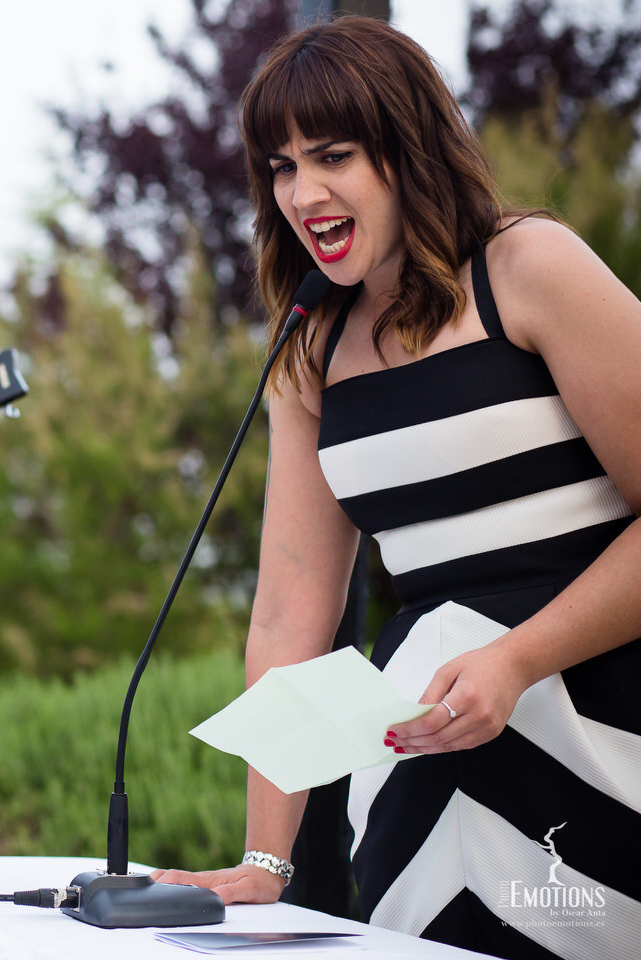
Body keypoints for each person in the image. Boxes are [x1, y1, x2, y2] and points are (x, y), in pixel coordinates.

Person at [150, 17, 641, 960]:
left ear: (407, 150)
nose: (303, 191)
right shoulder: (309, 350)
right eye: (282, 166)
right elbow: (289, 622)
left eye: (332, 154)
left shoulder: (529, 267)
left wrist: (518, 659)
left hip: (599, 736)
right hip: (417, 767)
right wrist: (265, 861)